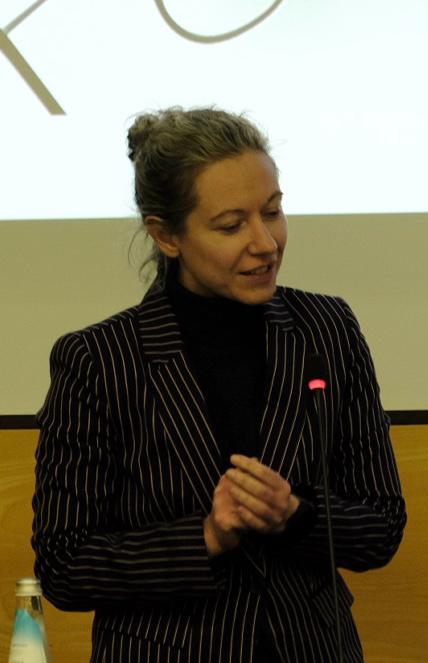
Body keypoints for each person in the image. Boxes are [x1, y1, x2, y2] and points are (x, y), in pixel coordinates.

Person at [32, 107, 406, 663]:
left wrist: (296, 514)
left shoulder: (327, 329)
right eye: (232, 226)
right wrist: (205, 537)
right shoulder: (99, 359)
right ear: (166, 235)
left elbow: (382, 525)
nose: (266, 242)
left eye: (273, 211)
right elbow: (64, 564)